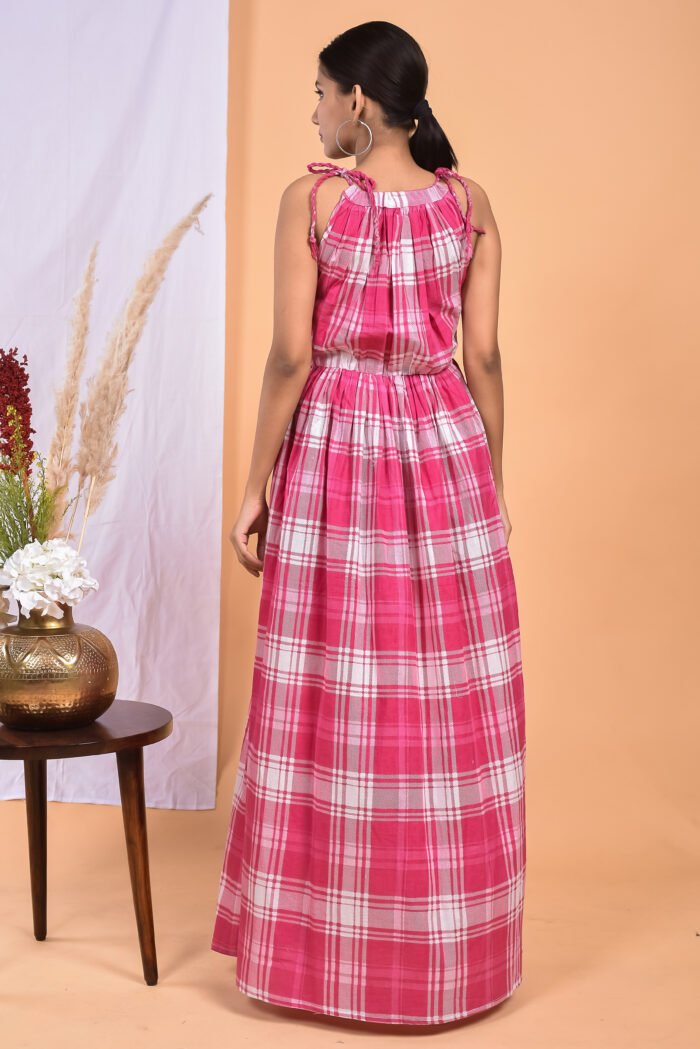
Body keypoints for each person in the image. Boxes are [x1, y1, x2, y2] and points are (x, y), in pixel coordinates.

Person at [211, 20, 526, 1027]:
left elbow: (289, 359)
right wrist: (491, 477)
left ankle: (323, 960)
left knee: (332, 702)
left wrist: (254, 484)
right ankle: (446, 963)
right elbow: (483, 360)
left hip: (339, 450)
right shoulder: (468, 205)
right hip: (444, 453)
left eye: (317, 92)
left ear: (356, 99)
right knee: (441, 715)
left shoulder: (313, 201)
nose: (311, 110)